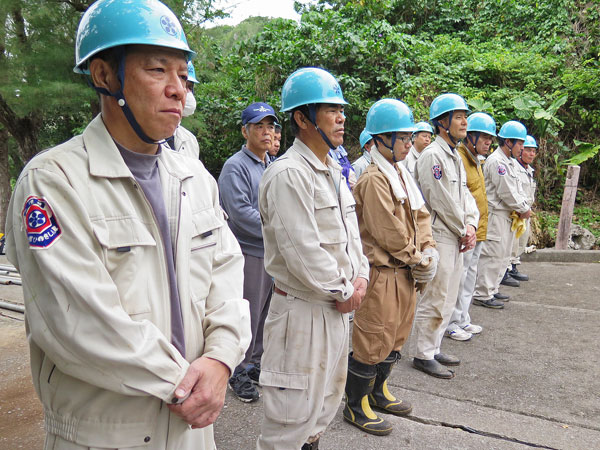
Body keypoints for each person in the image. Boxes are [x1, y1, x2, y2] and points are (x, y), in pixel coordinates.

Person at [3, 1, 250, 448]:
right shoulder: (54, 182)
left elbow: (227, 279)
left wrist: (220, 360)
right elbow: (78, 321)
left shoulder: (195, 178)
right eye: (158, 70)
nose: (179, 90)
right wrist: (189, 384)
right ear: (104, 76)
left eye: (183, 74)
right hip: (106, 432)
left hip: (193, 427)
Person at [256, 67, 369, 450]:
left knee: (321, 411)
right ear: (302, 118)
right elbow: (302, 250)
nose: (341, 118)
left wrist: (361, 277)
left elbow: (351, 235)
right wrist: (344, 288)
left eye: (342, 109)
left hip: (337, 309)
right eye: (330, 110)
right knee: (289, 421)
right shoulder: (288, 174)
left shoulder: (333, 169)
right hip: (303, 314)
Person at [344, 99, 437, 435]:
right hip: (383, 272)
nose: (408, 144)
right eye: (402, 138)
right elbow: (388, 232)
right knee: (372, 339)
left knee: (396, 337)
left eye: (409, 138)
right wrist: (418, 256)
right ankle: (356, 405)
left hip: (406, 272)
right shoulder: (373, 178)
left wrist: (428, 248)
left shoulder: (400, 172)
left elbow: (421, 215)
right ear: (380, 139)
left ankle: (378, 392)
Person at [411, 93, 479, 379]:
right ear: (442, 122)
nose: (464, 121)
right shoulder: (433, 156)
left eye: (465, 116)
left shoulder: (454, 155)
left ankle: (435, 346)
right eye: (458, 117)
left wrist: (472, 225)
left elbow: (465, 197)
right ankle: (423, 353)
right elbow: (440, 200)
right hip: (440, 234)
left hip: (458, 234)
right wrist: (464, 228)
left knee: (449, 295)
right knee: (436, 296)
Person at [218, 102, 277, 403]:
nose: (266, 132)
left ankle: (253, 363)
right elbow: (240, 214)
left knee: (264, 316)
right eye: (259, 126)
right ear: (245, 130)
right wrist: (280, 229)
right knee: (247, 314)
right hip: (247, 252)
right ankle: (237, 369)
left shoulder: (269, 164)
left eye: (270, 126)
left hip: (269, 252)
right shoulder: (235, 166)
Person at [445, 112, 496, 340]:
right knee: (459, 277)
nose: (488, 142)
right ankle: (452, 323)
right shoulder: (460, 158)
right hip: (465, 231)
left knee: (469, 278)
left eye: (490, 138)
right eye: (484, 137)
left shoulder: (476, 160)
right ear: (471, 137)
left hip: (479, 229)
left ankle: (463, 318)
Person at [472, 121, 531, 309]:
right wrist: (523, 208)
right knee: (493, 255)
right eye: (520, 143)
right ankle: (482, 293)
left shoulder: (510, 162)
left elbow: (517, 189)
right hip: (496, 214)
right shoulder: (497, 162)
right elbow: (506, 192)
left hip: (507, 215)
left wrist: (522, 206)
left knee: (503, 255)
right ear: (508, 142)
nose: (522, 148)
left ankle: (492, 289)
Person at [508, 134, 538, 281]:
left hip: (526, 212)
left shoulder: (529, 170)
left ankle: (513, 266)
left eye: (534, 151)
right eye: (528, 150)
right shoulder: (513, 167)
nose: (531, 154)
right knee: (511, 242)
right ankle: (506, 269)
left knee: (521, 241)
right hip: (515, 212)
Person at [166, 61, 200, 159]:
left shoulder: (190, 141)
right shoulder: (145, 140)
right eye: (185, 85)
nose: (182, 91)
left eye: (190, 87)